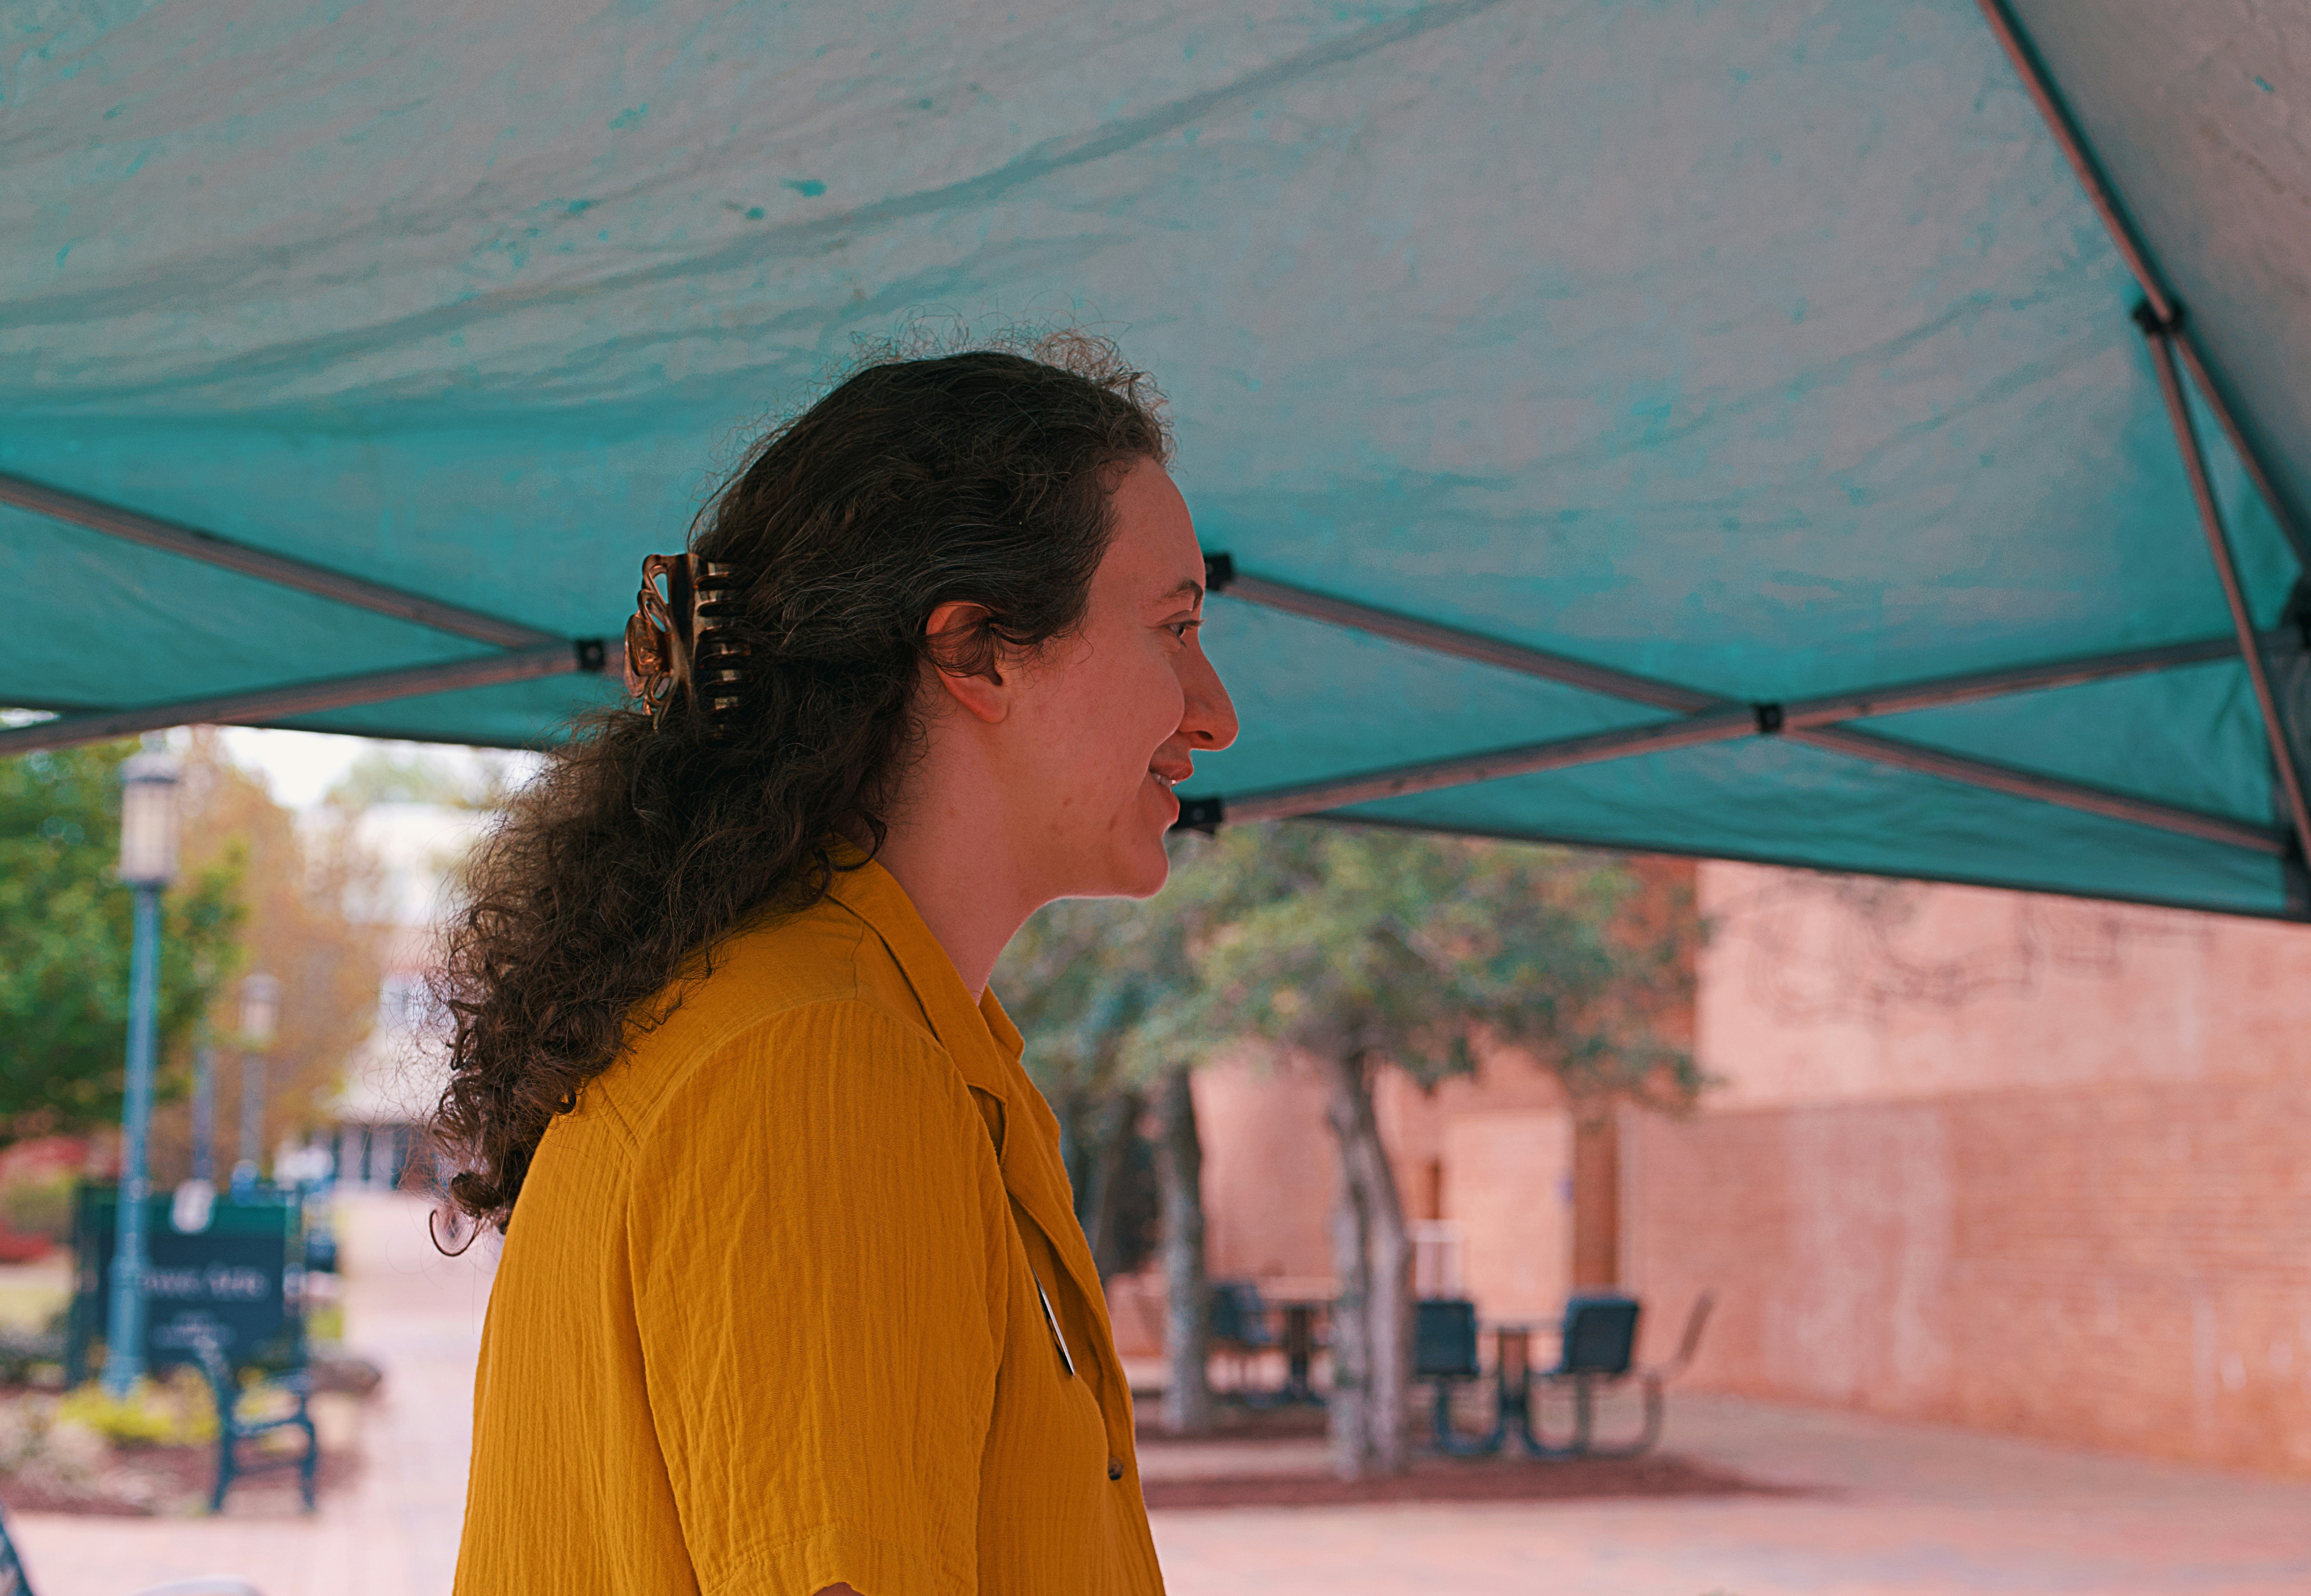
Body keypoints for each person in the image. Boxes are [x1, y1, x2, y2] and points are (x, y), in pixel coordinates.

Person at [437, 335, 1237, 1596]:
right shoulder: (822, 1068)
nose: (1212, 710)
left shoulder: (871, 1041)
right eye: (1174, 626)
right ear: (977, 650)